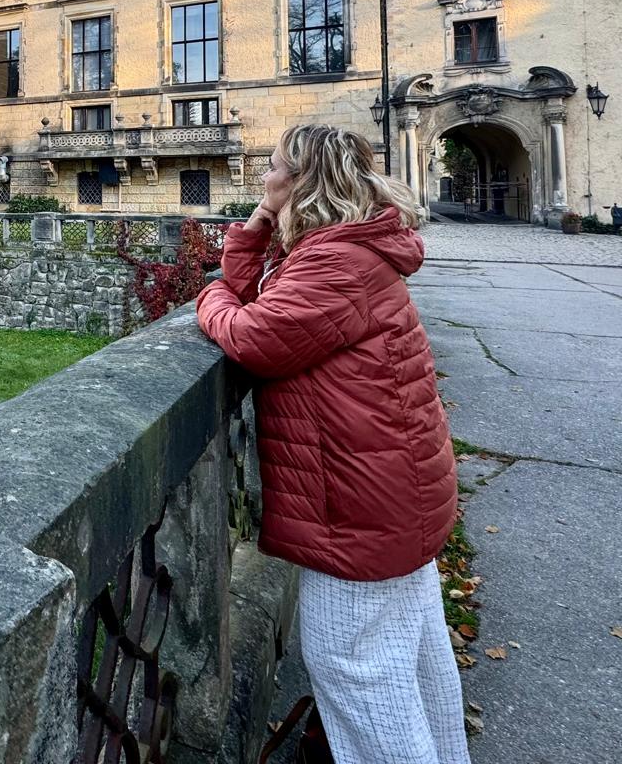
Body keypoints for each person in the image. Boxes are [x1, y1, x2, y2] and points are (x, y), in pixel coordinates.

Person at [196, 124, 467, 764]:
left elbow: (253, 334)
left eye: (272, 167)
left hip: (360, 506)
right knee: (414, 668)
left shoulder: (334, 262)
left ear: (302, 181)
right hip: (390, 491)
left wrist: (206, 296)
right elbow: (263, 301)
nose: (262, 175)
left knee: (357, 672)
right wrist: (260, 222)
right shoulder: (344, 249)